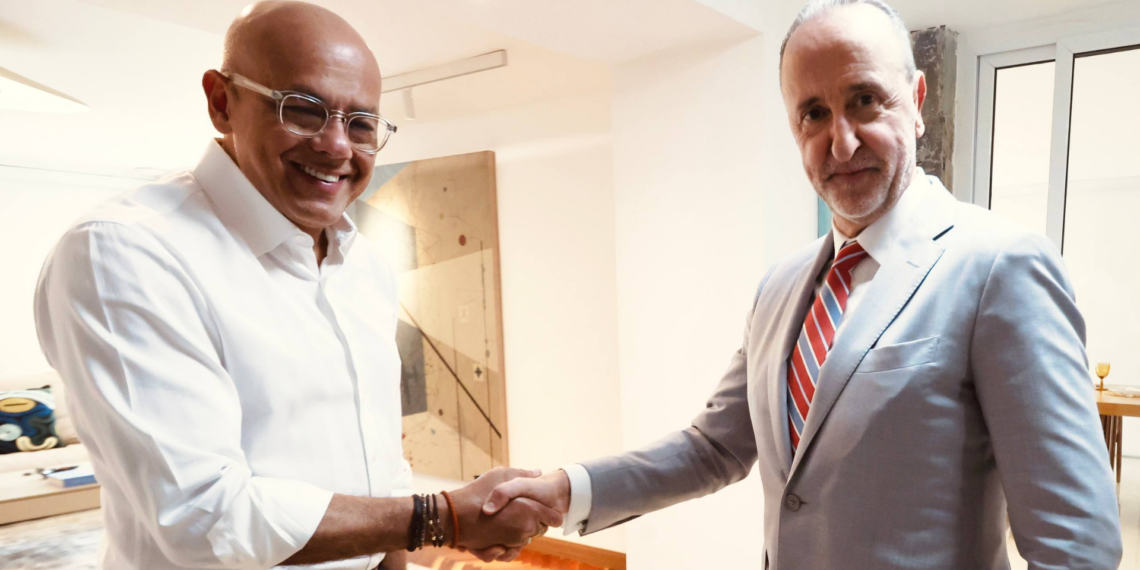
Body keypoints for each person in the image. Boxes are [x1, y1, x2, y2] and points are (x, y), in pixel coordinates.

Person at [479, 1, 1123, 568]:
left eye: (864, 100)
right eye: (814, 113)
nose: (840, 143)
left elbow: (1076, 543)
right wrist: (565, 491)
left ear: (918, 101)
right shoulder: (781, 287)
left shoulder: (1001, 267)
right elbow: (714, 449)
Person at [33, 2, 557, 569]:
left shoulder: (364, 265)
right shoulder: (125, 252)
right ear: (221, 102)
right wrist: (442, 517)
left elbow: (380, 467)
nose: (337, 146)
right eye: (303, 110)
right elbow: (204, 520)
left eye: (361, 123)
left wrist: (406, 547)